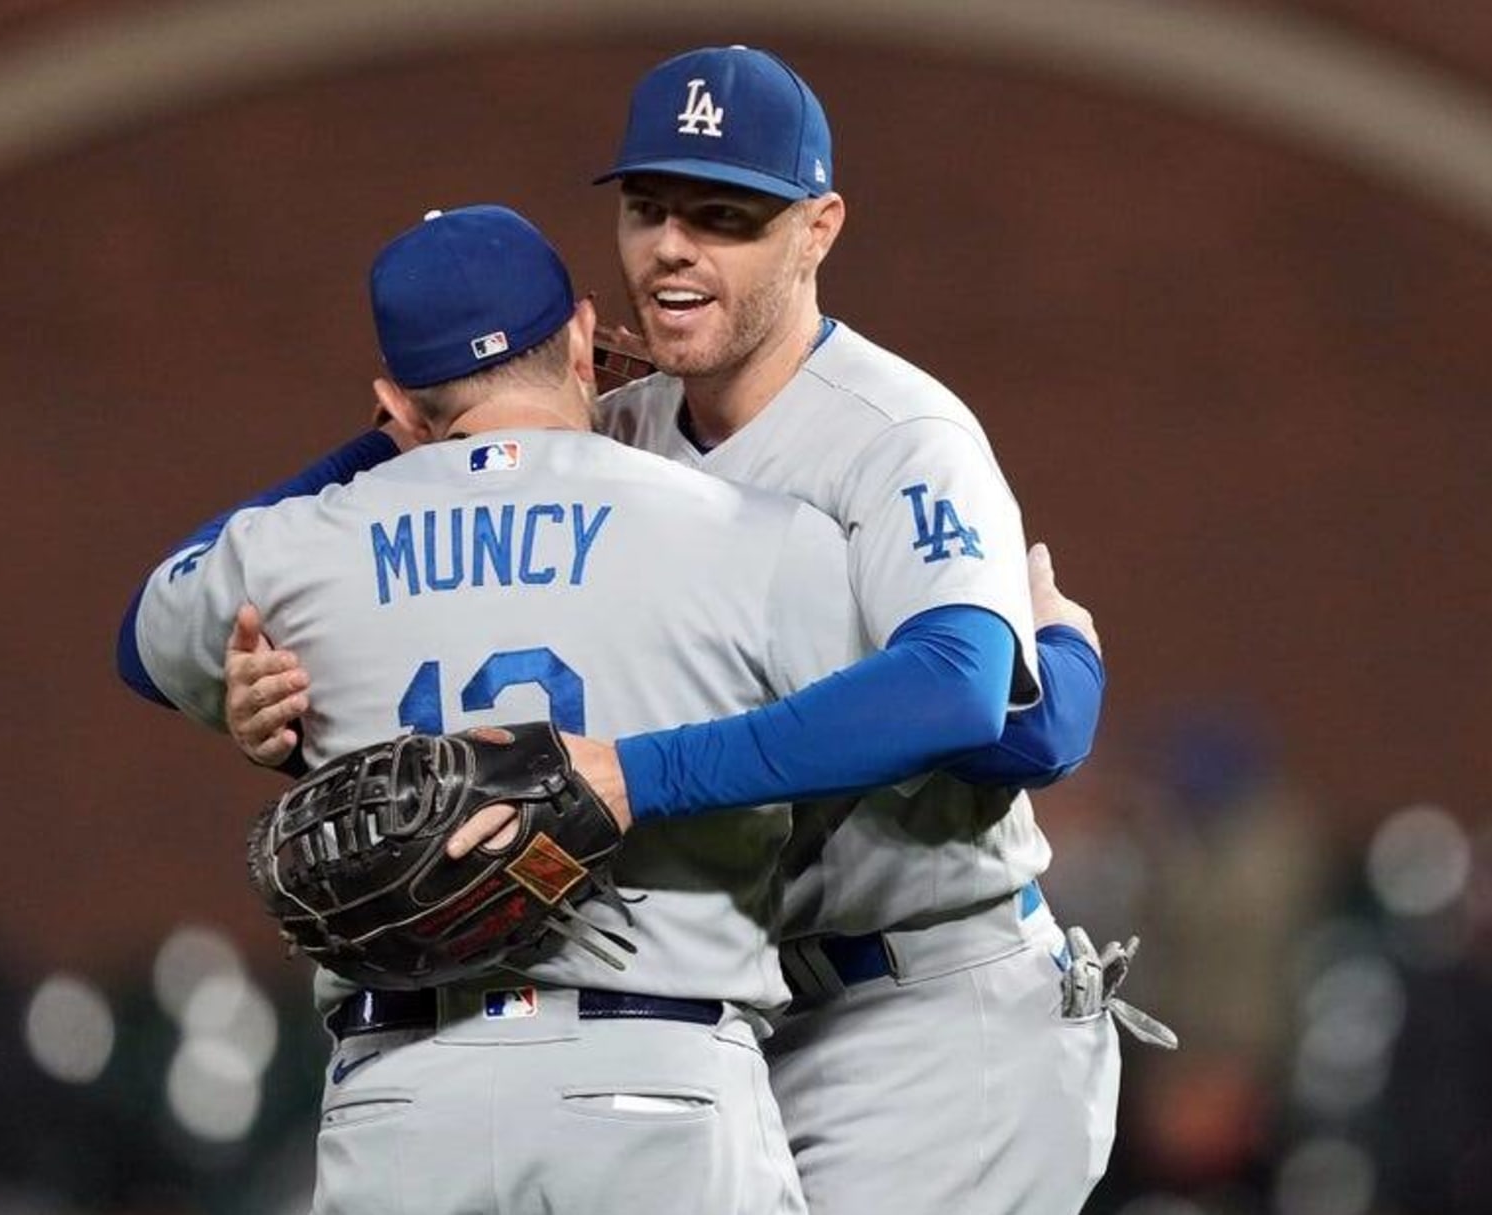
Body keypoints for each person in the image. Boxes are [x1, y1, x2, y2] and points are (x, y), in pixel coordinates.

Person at [219, 47, 1122, 1215]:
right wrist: (285, 712)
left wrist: (634, 777)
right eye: (649, 210)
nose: (674, 246)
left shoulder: (900, 434)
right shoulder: (617, 432)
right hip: (735, 1019)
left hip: (927, 1004)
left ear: (819, 228)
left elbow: (979, 711)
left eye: (725, 215)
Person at [126, 204, 870, 1214]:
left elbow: (145, 635)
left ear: (396, 395)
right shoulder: (752, 532)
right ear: (578, 334)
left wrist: (374, 450)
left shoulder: (289, 555)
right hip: (654, 1074)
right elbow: (908, 734)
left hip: (401, 1095)